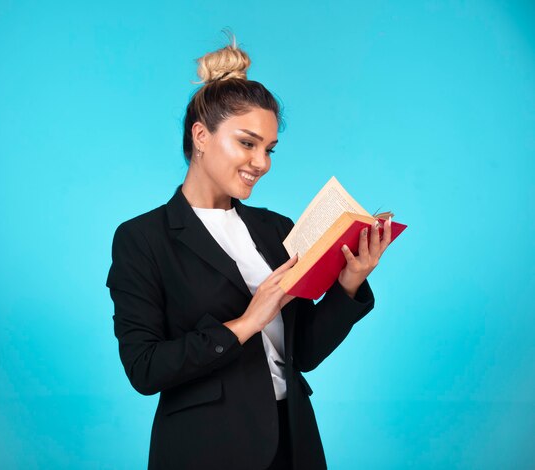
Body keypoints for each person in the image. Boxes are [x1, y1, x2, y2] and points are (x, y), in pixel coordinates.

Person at [106, 32, 392, 470]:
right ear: (201, 136)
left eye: (269, 149)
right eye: (247, 143)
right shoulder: (143, 238)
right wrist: (245, 324)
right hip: (206, 450)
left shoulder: (276, 228)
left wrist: (349, 283)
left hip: (294, 441)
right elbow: (145, 368)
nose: (262, 162)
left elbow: (305, 353)